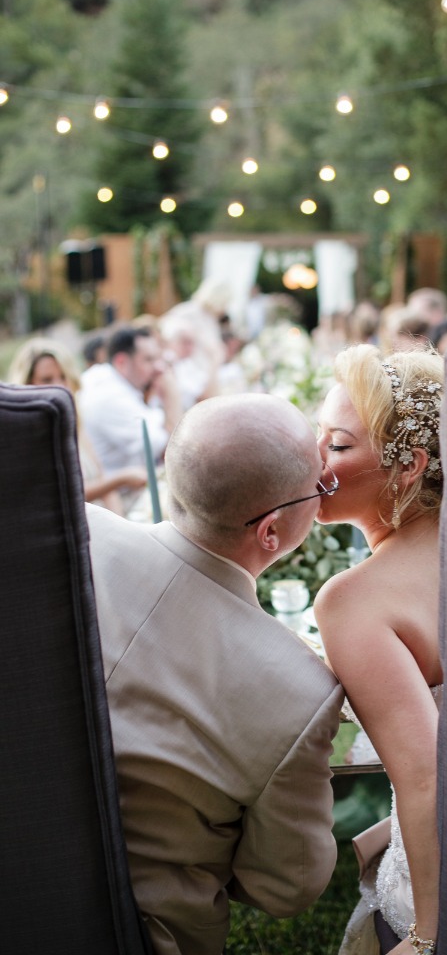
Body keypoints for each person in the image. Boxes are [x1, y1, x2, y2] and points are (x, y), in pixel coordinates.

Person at [86, 393, 344, 955]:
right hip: (144, 933)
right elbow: (286, 886)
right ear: (270, 533)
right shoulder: (299, 692)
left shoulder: (80, 537)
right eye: (321, 488)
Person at [314, 344, 445, 955]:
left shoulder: (352, 603)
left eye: (337, 446)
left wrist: (428, 937)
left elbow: (426, 778)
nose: (311, 459)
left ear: (410, 464)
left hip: (446, 881)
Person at [6, 336, 147, 514]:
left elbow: (103, 481)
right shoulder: (27, 439)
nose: (59, 386)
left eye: (63, 377)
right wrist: (122, 478)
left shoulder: (75, 422)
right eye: (47, 379)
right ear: (26, 383)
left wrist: (121, 524)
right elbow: (63, 494)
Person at [80, 325, 182, 510]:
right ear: (121, 362)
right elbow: (173, 451)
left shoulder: (117, 385)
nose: (159, 368)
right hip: (120, 503)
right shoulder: (109, 396)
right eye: (149, 360)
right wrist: (172, 397)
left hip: (131, 494)